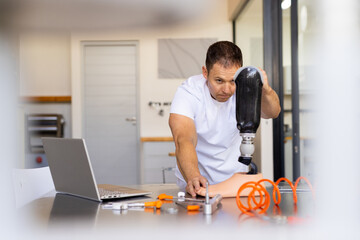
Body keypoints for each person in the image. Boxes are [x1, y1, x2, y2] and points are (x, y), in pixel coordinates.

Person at [169, 41, 281, 197]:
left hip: (234, 184)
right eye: (219, 81)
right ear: (205, 73)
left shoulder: (244, 86)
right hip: (196, 183)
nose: (227, 90)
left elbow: (273, 112)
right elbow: (183, 139)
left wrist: (265, 89)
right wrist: (193, 177)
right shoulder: (189, 92)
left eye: (233, 81)